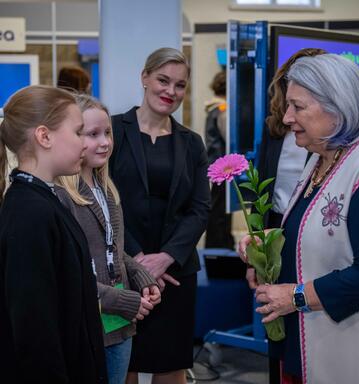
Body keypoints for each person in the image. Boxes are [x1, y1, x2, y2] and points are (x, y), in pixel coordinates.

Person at [239, 54, 359, 383]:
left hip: (351, 348)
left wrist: (294, 296)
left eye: (298, 107)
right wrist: (269, 243)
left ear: (337, 108)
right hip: (311, 340)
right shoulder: (321, 160)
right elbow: (323, 233)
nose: (286, 118)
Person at [109, 48, 210, 384]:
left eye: (180, 85)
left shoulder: (192, 143)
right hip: (121, 269)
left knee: (171, 365)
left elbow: (199, 209)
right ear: (144, 77)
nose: (171, 91)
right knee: (126, 363)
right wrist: (138, 262)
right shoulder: (112, 132)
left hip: (175, 273)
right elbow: (104, 201)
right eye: (163, 80)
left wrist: (165, 258)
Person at [0, 85, 107, 383]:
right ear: (44, 136)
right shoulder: (30, 214)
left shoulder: (44, 201)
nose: (84, 144)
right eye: (77, 132)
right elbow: (34, 330)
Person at [56, 94, 161, 384]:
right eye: (93, 134)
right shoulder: (62, 196)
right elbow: (69, 272)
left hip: (118, 323)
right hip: (89, 322)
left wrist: (142, 276)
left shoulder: (106, 189)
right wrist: (120, 300)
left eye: (107, 133)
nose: (104, 142)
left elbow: (113, 248)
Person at [255, 48, 326, 384]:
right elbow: (264, 193)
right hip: (277, 234)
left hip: (317, 238)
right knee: (279, 335)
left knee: (311, 332)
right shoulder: (274, 130)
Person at [204, 71, 234, 249]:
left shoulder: (213, 108)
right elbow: (229, 137)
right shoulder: (223, 110)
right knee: (221, 211)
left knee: (218, 208)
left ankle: (218, 245)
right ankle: (219, 247)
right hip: (224, 169)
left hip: (216, 167)